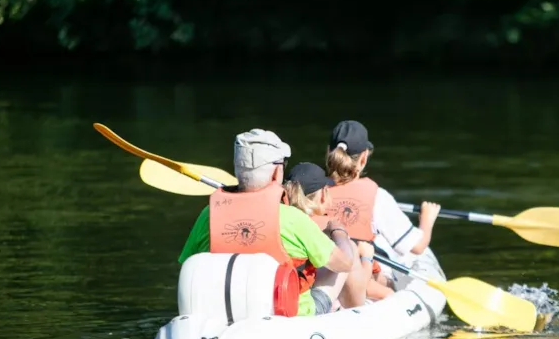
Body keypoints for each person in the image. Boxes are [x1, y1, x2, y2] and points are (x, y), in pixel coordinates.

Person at [177, 129, 356, 317]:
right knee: (345, 255)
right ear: (276, 172)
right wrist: (338, 231)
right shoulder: (293, 219)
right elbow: (344, 264)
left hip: (222, 316)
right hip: (289, 316)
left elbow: (187, 265)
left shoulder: (208, 215)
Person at [324, 120, 441, 274]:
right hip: (361, 278)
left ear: (328, 152)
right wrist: (427, 219)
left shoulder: (313, 190)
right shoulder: (378, 197)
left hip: (322, 274)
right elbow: (417, 247)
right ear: (364, 158)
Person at [284, 162, 390, 302]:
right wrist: (367, 258)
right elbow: (357, 295)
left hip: (281, 297)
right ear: (322, 195)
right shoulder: (318, 229)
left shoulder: (279, 219)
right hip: (305, 305)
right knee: (350, 251)